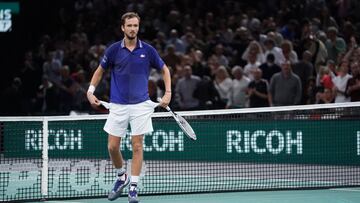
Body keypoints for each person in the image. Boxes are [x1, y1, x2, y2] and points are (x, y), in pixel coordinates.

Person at [86, 12, 171, 203]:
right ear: (122, 28)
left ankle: (133, 186)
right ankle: (121, 175)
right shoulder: (114, 50)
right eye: (129, 26)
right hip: (118, 105)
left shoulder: (148, 50)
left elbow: (165, 70)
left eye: (136, 26)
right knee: (112, 146)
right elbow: (99, 72)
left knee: (137, 145)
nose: (133, 29)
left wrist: (168, 93)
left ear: (138, 27)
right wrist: (90, 91)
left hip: (141, 105)